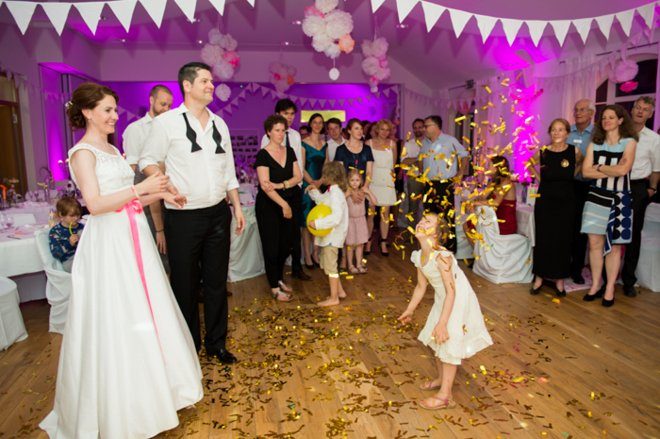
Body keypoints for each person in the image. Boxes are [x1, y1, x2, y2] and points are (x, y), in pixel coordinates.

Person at [40, 82, 202, 437]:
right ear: (87, 112)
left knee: (145, 309)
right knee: (118, 314)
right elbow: (95, 205)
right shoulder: (82, 153)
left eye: (115, 110)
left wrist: (158, 194)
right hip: (108, 244)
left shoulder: (111, 150)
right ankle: (120, 405)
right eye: (108, 110)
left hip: (131, 235)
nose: (115, 116)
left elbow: (125, 202)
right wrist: (140, 189)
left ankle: (155, 394)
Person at [140, 62, 245, 364]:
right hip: (182, 217)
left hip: (217, 214)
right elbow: (147, 160)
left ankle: (217, 343)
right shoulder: (167, 123)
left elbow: (228, 171)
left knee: (215, 283)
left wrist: (236, 206)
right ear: (187, 85)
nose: (211, 86)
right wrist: (166, 184)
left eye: (212, 81)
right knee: (185, 285)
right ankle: (188, 347)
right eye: (204, 81)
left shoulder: (219, 124)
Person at [397, 213, 492, 410]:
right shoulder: (419, 255)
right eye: (422, 219)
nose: (422, 222)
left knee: (446, 339)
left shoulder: (442, 257)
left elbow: (452, 291)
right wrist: (409, 310)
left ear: (437, 234)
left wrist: (443, 322)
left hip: (458, 298)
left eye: (428, 222)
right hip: (444, 298)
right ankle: (441, 379)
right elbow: (421, 287)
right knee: (435, 338)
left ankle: (445, 396)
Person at [581, 105, 638, 307]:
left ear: (621, 120)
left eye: (611, 117)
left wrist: (599, 167)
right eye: (604, 117)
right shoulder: (594, 144)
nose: (606, 121)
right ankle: (596, 284)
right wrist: (610, 170)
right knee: (595, 244)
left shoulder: (629, 142)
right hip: (596, 196)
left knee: (614, 247)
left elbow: (624, 169)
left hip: (620, 198)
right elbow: (586, 173)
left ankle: (610, 288)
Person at [528, 119, 582, 296]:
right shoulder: (543, 152)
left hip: (566, 201)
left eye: (561, 130)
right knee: (544, 239)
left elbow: (581, 165)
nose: (557, 133)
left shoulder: (575, 151)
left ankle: (560, 280)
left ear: (567, 133)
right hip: (545, 200)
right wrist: (539, 177)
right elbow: (528, 164)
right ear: (550, 132)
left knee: (563, 240)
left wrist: (571, 175)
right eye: (554, 130)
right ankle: (539, 278)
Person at [260, 99, 310, 280]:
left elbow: (298, 163)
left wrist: (298, 183)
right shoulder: (267, 139)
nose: (289, 117)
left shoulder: (296, 136)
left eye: (291, 114)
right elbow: (265, 166)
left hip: (294, 188)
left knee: (294, 233)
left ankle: (297, 268)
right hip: (275, 192)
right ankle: (276, 276)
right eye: (285, 114)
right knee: (278, 237)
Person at [255, 114, 303, 302]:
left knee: (287, 243)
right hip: (269, 205)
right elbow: (265, 186)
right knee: (271, 246)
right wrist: (283, 204)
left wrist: (281, 185)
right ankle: (274, 287)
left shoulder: (289, 151)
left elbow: (298, 177)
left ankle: (279, 277)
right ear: (268, 132)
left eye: (283, 130)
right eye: (277, 130)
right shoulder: (263, 155)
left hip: (288, 200)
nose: (281, 134)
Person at [123, 84, 174, 258]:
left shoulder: (170, 128)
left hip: (168, 193)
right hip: (146, 198)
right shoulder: (135, 130)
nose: (166, 109)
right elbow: (132, 173)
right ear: (151, 101)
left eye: (169, 105)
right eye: (162, 104)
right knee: (155, 251)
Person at [621, 96, 660, 297]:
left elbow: (656, 168)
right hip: (615, 183)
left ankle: (628, 280)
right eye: (637, 107)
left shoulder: (654, 139)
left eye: (645, 109)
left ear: (650, 114)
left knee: (632, 235)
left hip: (638, 187)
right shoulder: (618, 132)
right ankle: (605, 279)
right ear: (632, 109)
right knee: (610, 231)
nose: (639, 111)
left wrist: (651, 189)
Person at [420, 115, 468, 253]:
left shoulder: (450, 140)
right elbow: (421, 159)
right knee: (429, 217)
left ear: (436, 126)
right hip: (429, 184)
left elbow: (464, 155)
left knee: (446, 217)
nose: (424, 129)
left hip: (444, 184)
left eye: (426, 125)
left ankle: (448, 251)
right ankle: (431, 248)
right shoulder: (425, 143)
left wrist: (460, 174)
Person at [307, 162, 349, 307]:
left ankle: (333, 298)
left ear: (330, 176)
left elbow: (336, 217)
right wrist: (314, 192)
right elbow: (323, 202)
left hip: (333, 236)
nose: (322, 178)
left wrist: (317, 224)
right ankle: (340, 292)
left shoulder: (336, 194)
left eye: (324, 175)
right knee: (328, 264)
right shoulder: (332, 191)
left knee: (331, 268)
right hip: (329, 235)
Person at [334, 119, 375, 254]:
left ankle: (358, 257)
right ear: (349, 131)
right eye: (356, 128)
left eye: (361, 129)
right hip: (346, 191)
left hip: (363, 191)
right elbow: (339, 174)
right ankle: (345, 259)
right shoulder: (341, 150)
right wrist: (351, 191)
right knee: (346, 224)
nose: (360, 131)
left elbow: (369, 171)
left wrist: (364, 189)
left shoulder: (367, 149)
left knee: (360, 223)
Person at [568, 99, 595, 284]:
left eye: (583, 110)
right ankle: (561, 266)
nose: (578, 113)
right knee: (565, 228)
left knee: (580, 230)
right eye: (576, 110)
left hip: (586, 186)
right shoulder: (566, 131)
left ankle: (576, 269)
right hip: (566, 186)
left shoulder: (596, 135)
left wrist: (581, 158)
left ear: (591, 113)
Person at [366, 119, 398, 256]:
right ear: (376, 130)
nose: (385, 132)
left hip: (387, 181)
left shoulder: (393, 144)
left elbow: (393, 164)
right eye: (382, 129)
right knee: (370, 214)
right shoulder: (369, 143)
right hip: (372, 180)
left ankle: (383, 241)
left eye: (387, 130)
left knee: (385, 214)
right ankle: (368, 240)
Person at [301, 113, 327, 269]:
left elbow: (327, 165)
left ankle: (315, 253)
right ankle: (306, 255)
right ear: (310, 124)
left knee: (319, 221)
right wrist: (311, 182)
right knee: (306, 223)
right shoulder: (303, 143)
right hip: (307, 185)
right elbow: (301, 167)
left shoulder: (325, 144)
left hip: (320, 185)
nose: (317, 125)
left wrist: (321, 181)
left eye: (320, 123)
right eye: (315, 122)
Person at [345, 168, 377, 274]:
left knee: (360, 244)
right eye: (352, 180)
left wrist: (368, 191)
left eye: (357, 180)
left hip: (361, 220)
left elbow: (375, 202)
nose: (354, 183)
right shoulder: (347, 192)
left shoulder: (363, 192)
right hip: (350, 221)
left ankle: (359, 264)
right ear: (348, 181)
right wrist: (348, 193)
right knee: (350, 244)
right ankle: (350, 265)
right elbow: (340, 201)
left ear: (361, 181)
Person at [48, 196, 84, 272]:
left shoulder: (83, 227)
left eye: (78, 215)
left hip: (85, 257)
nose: (76, 218)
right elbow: (56, 253)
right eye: (72, 215)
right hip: (69, 261)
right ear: (61, 215)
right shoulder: (56, 231)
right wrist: (69, 243)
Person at [401, 118, 425, 225]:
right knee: (413, 208)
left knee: (427, 207)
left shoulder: (431, 143)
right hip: (414, 178)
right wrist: (418, 158)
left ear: (424, 128)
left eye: (420, 127)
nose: (417, 130)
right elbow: (404, 162)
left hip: (430, 179)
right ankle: (412, 234)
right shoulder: (408, 144)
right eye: (415, 128)